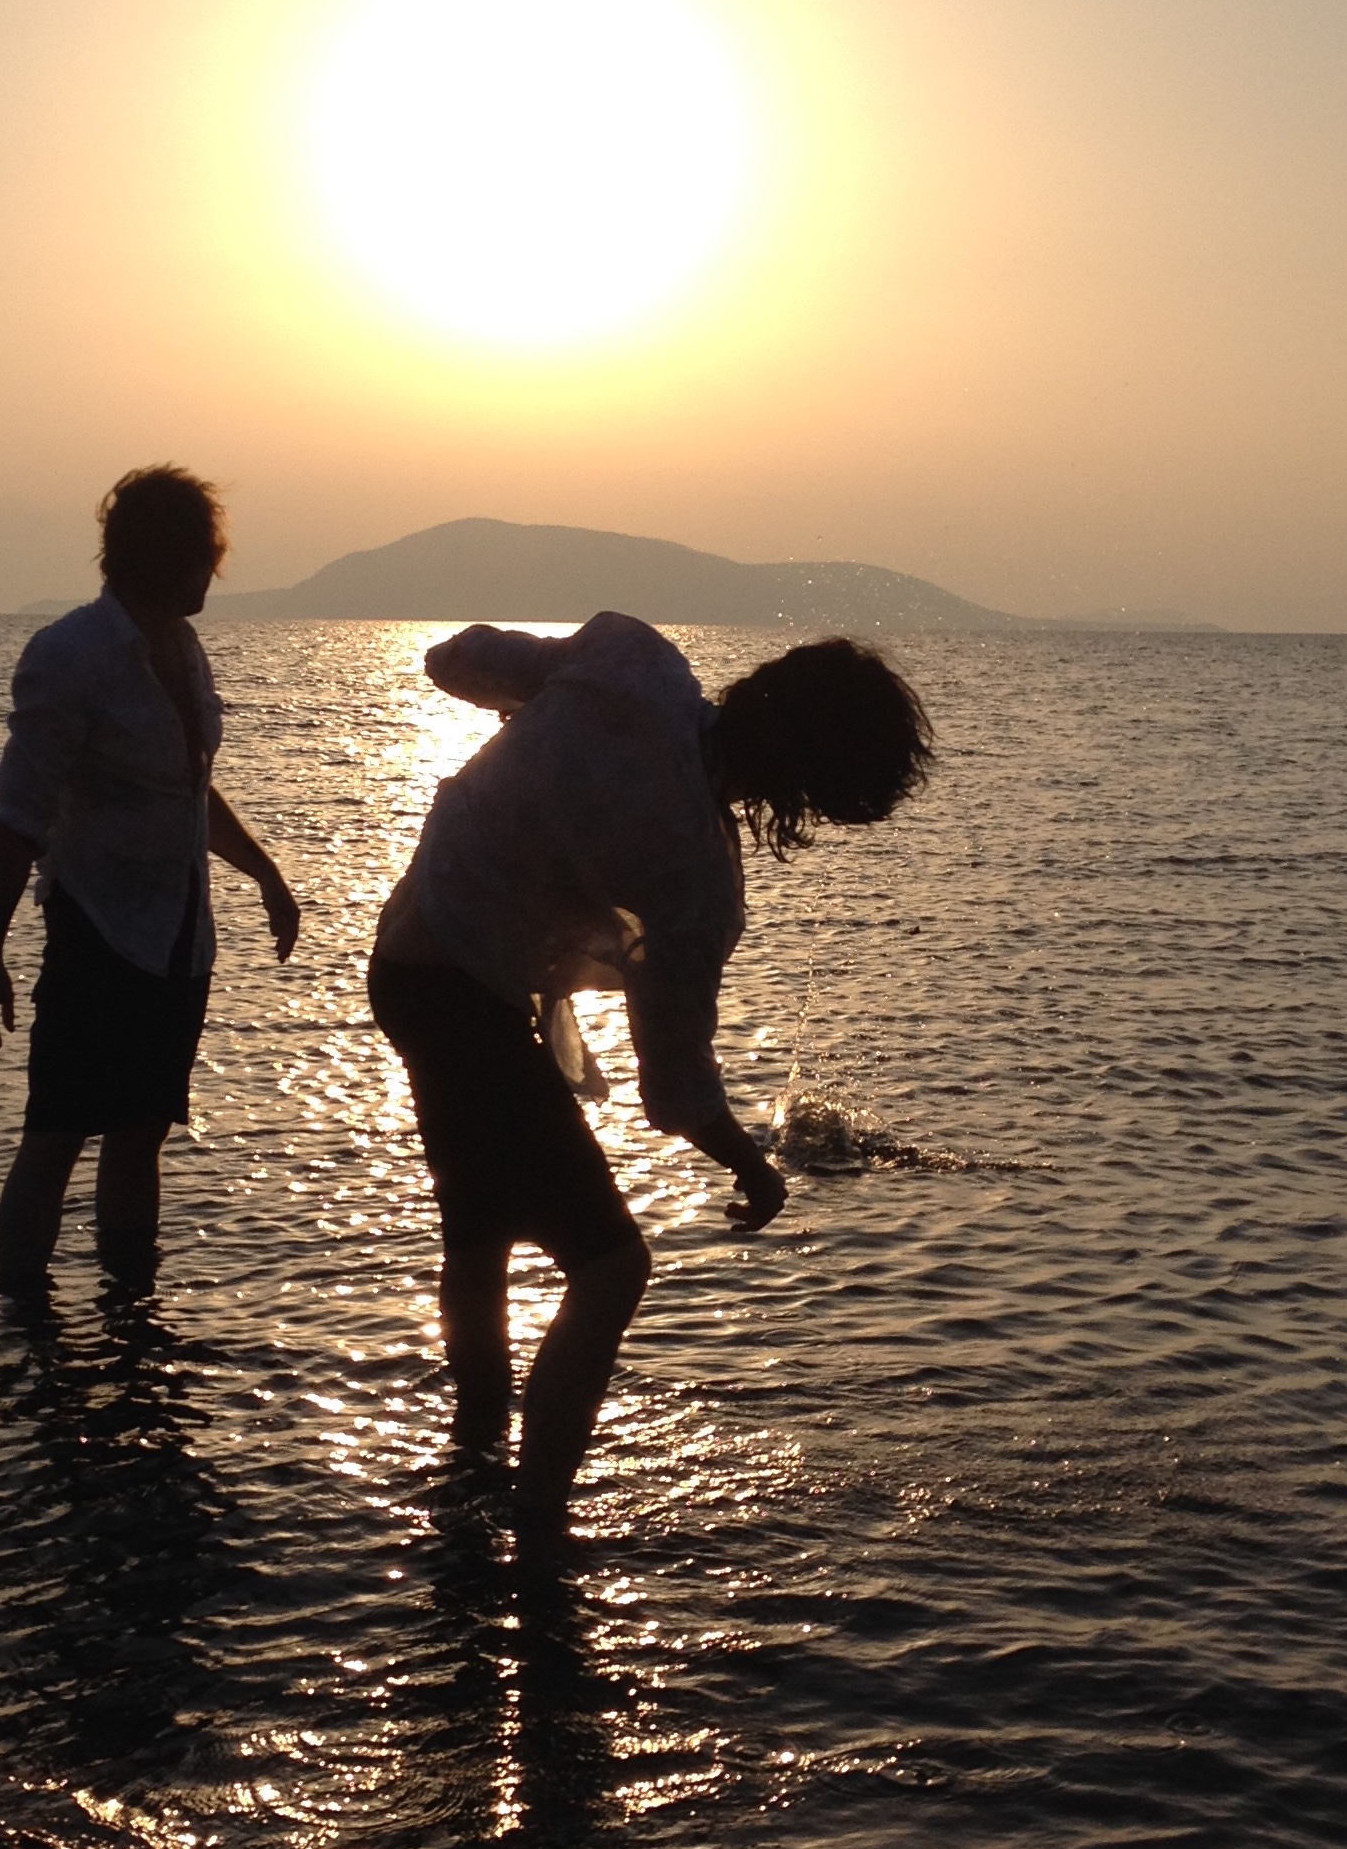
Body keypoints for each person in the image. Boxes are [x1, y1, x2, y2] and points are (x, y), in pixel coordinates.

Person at [368, 611, 932, 1540]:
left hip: (405, 956)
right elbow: (673, 1081)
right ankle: (536, 1523)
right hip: (461, 1000)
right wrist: (751, 1165)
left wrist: (529, 721)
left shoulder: (634, 663)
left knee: (481, 1229)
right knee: (612, 1264)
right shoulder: (697, 881)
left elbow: (455, 658)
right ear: (811, 784)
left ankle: (474, 1459)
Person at [0, 465, 300, 1298]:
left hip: (179, 938)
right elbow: (18, 816)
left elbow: (188, 789)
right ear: (164, 556)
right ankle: (20, 1318)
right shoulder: (71, 655)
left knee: (143, 1131)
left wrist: (265, 874)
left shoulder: (182, 649)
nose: (214, 571)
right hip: (97, 930)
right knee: (57, 1133)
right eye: (204, 554)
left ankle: (131, 1308)